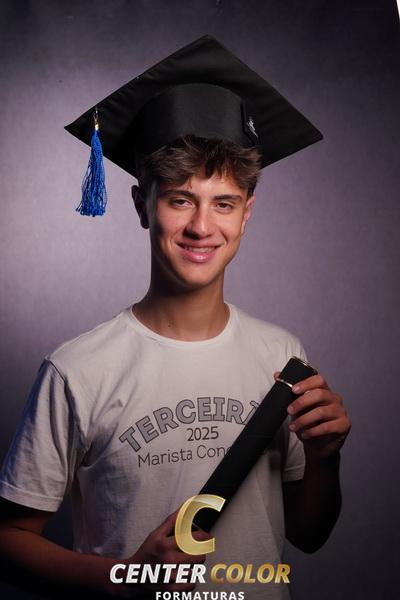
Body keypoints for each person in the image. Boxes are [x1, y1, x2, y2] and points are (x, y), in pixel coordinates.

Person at [0, 36, 351, 600]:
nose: (201, 227)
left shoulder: (282, 355)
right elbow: (9, 539)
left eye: (224, 203)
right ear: (142, 204)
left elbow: (309, 534)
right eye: (180, 199)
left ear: (247, 213)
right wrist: (125, 577)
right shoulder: (78, 370)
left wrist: (325, 459)